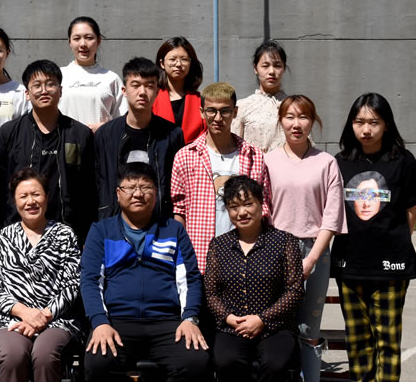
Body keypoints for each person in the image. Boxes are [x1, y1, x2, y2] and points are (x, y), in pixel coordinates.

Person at [81, 163, 208, 382]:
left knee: (196, 360)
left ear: (156, 192)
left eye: (145, 187)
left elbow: (190, 278)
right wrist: (100, 322)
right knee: (97, 364)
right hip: (117, 322)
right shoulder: (101, 230)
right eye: (130, 187)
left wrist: (190, 318)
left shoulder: (173, 230)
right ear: (118, 193)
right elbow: (90, 280)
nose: (138, 193)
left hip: (166, 322)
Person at [331, 92, 416, 382]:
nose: (366, 129)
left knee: (386, 338)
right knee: (358, 339)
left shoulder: (403, 160)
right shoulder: (340, 162)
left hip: (391, 265)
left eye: (374, 122)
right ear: (351, 125)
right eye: (360, 122)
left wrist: (396, 245)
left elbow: (412, 210)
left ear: (386, 124)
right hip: (349, 262)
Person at [203, 175, 304, 382]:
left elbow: (295, 291)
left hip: (275, 326)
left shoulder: (284, 241)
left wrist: (263, 319)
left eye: (248, 204)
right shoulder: (219, 245)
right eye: (234, 207)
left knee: (274, 363)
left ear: (261, 204)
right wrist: (228, 317)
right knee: (226, 361)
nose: (242, 212)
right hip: (232, 326)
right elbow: (211, 292)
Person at [0, 168, 85, 382]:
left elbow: (73, 283)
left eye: (36, 194)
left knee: (44, 354)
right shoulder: (1, 238)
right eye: (23, 196)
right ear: (14, 201)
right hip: (12, 320)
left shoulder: (64, 234)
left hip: (58, 319)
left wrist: (45, 315)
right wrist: (25, 313)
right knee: (13, 354)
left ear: (47, 196)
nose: (30, 201)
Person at [264, 95, 347, 382]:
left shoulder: (326, 163)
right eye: (289, 117)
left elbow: (332, 215)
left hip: (316, 250)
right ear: (280, 121)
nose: (296, 124)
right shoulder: (268, 161)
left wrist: (312, 258)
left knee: (309, 332)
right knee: (275, 328)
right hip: (275, 250)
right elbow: (263, 211)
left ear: (313, 121)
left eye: (303, 117)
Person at [171, 82, 272, 277]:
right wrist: (182, 258)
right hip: (198, 258)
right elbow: (179, 211)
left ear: (235, 112)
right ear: (202, 112)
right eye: (211, 111)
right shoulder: (185, 156)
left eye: (225, 111)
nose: (218, 118)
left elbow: (264, 206)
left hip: (245, 260)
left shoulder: (253, 156)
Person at [0, 59, 96, 241]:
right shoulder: (9, 133)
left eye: (50, 84)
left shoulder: (79, 134)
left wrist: (88, 237)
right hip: (18, 233)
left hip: (68, 232)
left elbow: (89, 189)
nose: (44, 90)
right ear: (27, 93)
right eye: (37, 85)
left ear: (60, 90)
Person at [94, 57, 183, 220]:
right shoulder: (105, 135)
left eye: (149, 86)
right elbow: (96, 183)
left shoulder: (172, 134)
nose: (142, 92)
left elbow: (178, 185)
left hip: (159, 221)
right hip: (114, 221)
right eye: (135, 85)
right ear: (124, 90)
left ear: (157, 91)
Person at [59, 16, 127, 131]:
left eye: (89, 38)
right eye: (76, 38)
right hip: (64, 141)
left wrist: (104, 128)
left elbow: (123, 120)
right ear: (69, 42)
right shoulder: (59, 75)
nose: (83, 44)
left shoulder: (111, 78)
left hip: (101, 141)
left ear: (98, 40)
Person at [232, 41, 289, 152]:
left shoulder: (294, 106)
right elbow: (233, 147)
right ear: (255, 68)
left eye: (277, 66)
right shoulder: (242, 106)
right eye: (265, 66)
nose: (271, 71)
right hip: (252, 163)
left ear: (284, 68)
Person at [152, 37, 205, 144]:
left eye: (184, 59)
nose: (178, 64)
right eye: (172, 59)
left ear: (190, 63)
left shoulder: (201, 100)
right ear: (162, 63)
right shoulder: (152, 98)